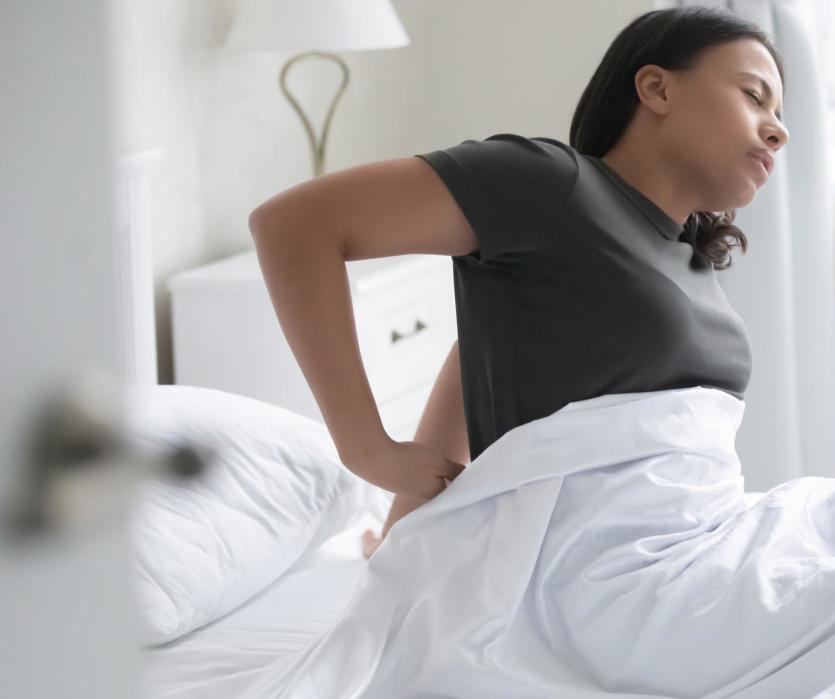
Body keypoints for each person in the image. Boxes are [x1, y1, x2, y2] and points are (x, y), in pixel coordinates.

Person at [247, 6, 787, 560]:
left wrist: (397, 538)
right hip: (605, 572)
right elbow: (293, 224)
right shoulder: (552, 184)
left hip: (698, 538)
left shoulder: (689, 264)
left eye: (778, 111)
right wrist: (367, 448)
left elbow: (484, 352)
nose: (779, 129)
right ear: (656, 88)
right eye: (754, 95)